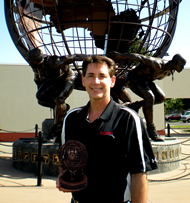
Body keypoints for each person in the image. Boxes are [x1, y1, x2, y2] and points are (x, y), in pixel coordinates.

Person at [56, 55, 157, 203]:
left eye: (102, 76)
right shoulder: (71, 118)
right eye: (90, 76)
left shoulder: (129, 119)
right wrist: (63, 176)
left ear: (112, 81)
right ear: (83, 80)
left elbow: (139, 173)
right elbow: (64, 160)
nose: (96, 81)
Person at [110, 52, 186, 141]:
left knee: (161, 98)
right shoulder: (156, 63)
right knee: (150, 97)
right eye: (182, 65)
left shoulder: (168, 72)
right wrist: (121, 55)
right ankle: (151, 130)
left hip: (147, 81)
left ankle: (136, 105)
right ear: (175, 62)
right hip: (134, 78)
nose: (182, 68)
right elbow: (138, 57)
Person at [27, 48, 85, 142]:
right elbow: (38, 82)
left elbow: (74, 56)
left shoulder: (53, 61)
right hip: (55, 80)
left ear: (40, 60)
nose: (30, 64)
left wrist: (93, 58)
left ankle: (56, 130)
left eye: (32, 62)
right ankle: (62, 108)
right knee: (40, 98)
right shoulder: (35, 67)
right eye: (29, 62)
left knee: (60, 99)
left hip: (67, 78)